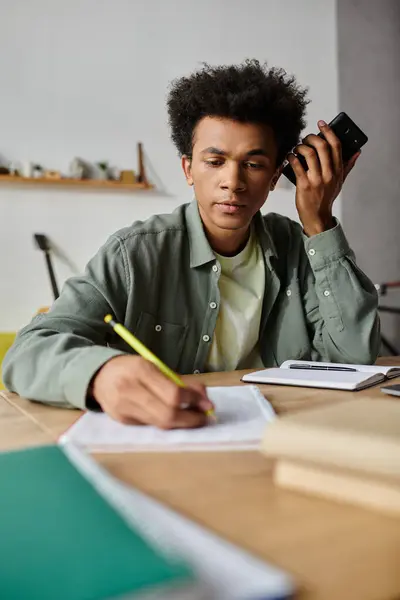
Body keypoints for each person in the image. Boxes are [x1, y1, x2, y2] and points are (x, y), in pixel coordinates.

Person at [3, 60, 380, 429]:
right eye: (215, 161)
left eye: (253, 164)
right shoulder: (134, 254)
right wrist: (100, 374)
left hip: (277, 436)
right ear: (188, 169)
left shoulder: (300, 248)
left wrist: (319, 222)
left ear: (275, 176)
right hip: (168, 442)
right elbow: (29, 351)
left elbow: (354, 359)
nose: (232, 182)